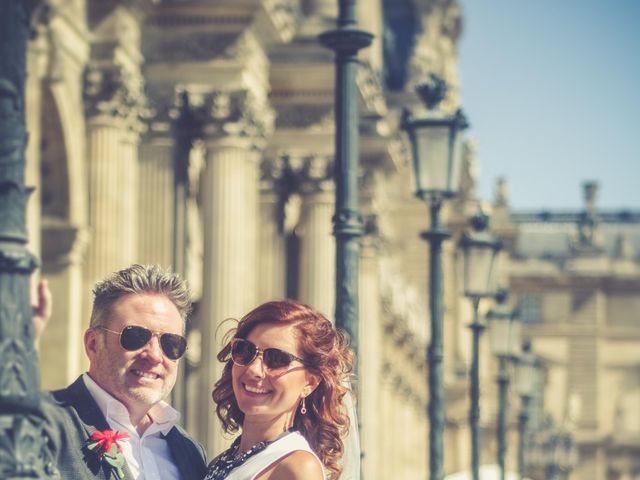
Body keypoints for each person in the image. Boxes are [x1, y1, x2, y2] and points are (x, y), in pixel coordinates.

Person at [41, 264, 207, 479]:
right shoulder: (39, 423)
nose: (155, 355)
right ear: (93, 344)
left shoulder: (191, 453)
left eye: (171, 343)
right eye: (135, 336)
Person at [203, 300, 355, 480]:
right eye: (245, 350)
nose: (253, 370)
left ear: (310, 383)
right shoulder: (221, 461)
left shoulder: (298, 468)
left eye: (276, 359)